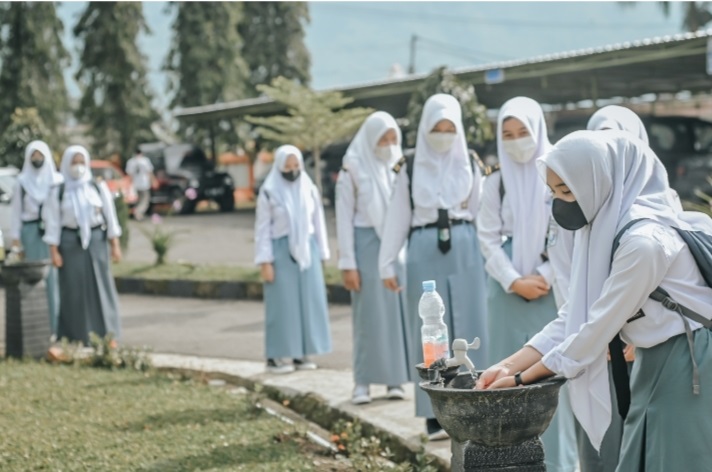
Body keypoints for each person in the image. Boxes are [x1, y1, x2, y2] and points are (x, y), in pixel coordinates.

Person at [477, 130, 712, 472]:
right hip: (655, 358)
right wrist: (508, 366)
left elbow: (595, 331)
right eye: (554, 192)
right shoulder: (607, 229)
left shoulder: (643, 243)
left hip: (688, 360)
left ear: (601, 181)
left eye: (568, 191)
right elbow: (574, 315)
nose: (561, 203)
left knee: (676, 457)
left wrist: (519, 381)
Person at [378, 93, 488, 441]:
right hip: (424, 244)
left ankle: (476, 400)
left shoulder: (470, 162)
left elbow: (483, 213)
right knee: (430, 334)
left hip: (466, 242)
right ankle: (433, 413)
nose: (443, 134)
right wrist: (387, 263)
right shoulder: (410, 166)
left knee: (471, 323)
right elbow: (397, 218)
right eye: (436, 128)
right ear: (425, 129)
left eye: (449, 128)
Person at [476, 96, 577, 471]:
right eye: (508, 134)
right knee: (506, 380)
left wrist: (546, 275)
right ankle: (512, 462)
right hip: (507, 292)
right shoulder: (495, 183)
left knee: (551, 382)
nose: (517, 140)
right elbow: (486, 238)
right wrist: (513, 280)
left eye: (523, 132)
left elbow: (569, 235)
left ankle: (559, 463)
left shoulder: (557, 174)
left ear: (538, 131)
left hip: (552, 290)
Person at [336, 111, 410, 405]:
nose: (389, 143)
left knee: (395, 315)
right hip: (366, 245)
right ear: (370, 138)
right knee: (368, 316)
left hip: (396, 248)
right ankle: (362, 381)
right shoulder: (351, 169)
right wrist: (347, 263)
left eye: (393, 138)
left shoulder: (397, 166)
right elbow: (343, 218)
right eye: (383, 138)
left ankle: (395, 380)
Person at [254, 145, 332, 375]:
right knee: (282, 305)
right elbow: (262, 230)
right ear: (278, 166)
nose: (292, 170)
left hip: (308, 250)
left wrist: (323, 253)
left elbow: (318, 222)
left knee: (308, 303)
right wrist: (265, 261)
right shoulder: (269, 191)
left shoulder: (309, 188)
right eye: (287, 166)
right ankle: (274, 356)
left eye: (296, 165)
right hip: (279, 249)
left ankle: (302, 353)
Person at [43, 145, 123, 345]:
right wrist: (54, 252)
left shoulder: (96, 187)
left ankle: (108, 333)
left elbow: (110, 218)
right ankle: (76, 335)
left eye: (81, 162)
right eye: (74, 162)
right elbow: (52, 223)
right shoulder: (59, 191)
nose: (78, 166)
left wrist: (115, 244)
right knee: (73, 288)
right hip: (69, 242)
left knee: (101, 285)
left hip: (96, 241)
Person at [9, 140, 63, 336]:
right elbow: (16, 213)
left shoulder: (56, 181)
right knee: (33, 279)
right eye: (33, 155)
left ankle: (54, 326)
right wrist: (16, 241)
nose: (37, 159)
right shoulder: (22, 183)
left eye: (40, 155)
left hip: (52, 234)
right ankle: (35, 327)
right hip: (31, 232)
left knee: (52, 281)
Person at [587, 105, 683, 212]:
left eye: (617, 140)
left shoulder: (660, 204)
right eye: (602, 139)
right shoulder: (587, 197)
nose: (610, 148)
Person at [125, 147, 154, 221]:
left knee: (138, 200)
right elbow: (149, 172)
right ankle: (138, 212)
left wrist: (129, 185)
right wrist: (152, 181)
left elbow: (129, 175)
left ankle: (138, 214)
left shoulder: (131, 162)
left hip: (135, 184)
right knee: (145, 200)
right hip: (144, 183)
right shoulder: (145, 161)